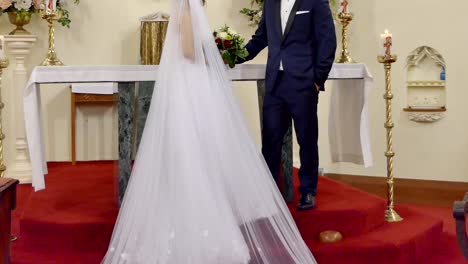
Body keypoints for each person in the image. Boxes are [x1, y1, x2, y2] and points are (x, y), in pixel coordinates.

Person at [101, 0, 316, 263]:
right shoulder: (191, 13)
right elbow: (190, 51)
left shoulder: (188, 12)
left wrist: (226, 51)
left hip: (196, 82)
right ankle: (203, 212)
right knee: (199, 148)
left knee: (196, 148)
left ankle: (303, 190)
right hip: (193, 84)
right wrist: (215, 53)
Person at [240, 0, 337, 210]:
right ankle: (268, 193)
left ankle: (308, 191)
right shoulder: (270, 3)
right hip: (275, 81)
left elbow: (327, 40)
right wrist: (233, 55)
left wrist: (318, 78)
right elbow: (261, 38)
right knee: (270, 139)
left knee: (307, 139)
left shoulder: (316, 2)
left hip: (303, 82)